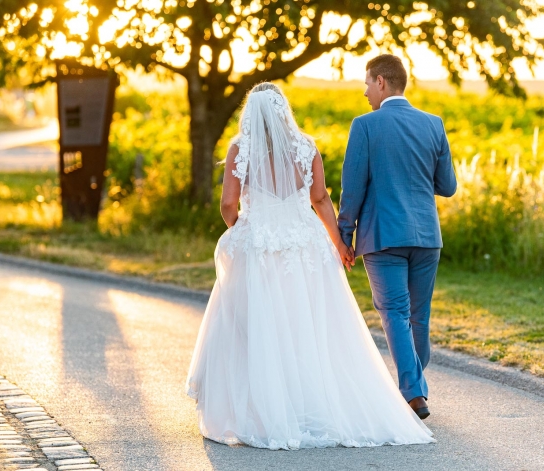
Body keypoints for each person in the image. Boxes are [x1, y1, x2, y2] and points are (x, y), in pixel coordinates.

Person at [186, 81, 434, 450]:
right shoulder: (306, 146)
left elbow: (227, 204)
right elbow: (320, 199)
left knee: (257, 326)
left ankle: (263, 410)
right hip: (305, 245)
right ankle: (314, 406)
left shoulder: (241, 148)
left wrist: (241, 227)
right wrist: (339, 244)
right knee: (311, 326)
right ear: (284, 110)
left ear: (251, 114)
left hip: (262, 246)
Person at [338, 54, 458, 419]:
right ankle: (416, 386)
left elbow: (352, 189)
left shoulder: (365, 126)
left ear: (381, 82)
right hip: (426, 235)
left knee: (394, 312)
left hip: (383, 236)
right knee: (418, 316)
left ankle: (413, 394)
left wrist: (345, 235)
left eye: (366, 83)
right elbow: (448, 186)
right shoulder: (434, 124)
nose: (364, 93)